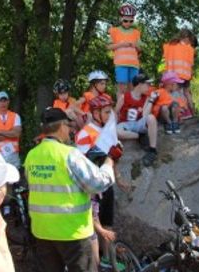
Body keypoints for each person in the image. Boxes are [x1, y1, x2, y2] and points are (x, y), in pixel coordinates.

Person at [24, 107, 115, 272]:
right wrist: (110, 161)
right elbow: (98, 184)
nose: (69, 131)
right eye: (68, 126)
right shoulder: (69, 154)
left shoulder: (31, 155)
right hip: (73, 232)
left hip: (43, 232)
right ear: (61, 127)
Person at [74, 95, 127, 268]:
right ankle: (97, 264)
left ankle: (108, 259)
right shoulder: (85, 133)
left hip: (107, 183)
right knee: (95, 228)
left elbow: (112, 157)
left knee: (108, 223)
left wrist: (118, 178)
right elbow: (80, 163)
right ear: (95, 113)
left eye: (110, 110)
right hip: (93, 186)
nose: (110, 114)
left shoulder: (108, 130)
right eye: (106, 111)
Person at [116, 73, 159, 166]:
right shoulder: (124, 97)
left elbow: (145, 115)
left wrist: (151, 100)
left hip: (138, 123)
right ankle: (140, 136)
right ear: (140, 84)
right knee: (117, 131)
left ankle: (152, 150)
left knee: (151, 118)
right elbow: (116, 112)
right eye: (147, 84)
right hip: (125, 124)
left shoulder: (146, 98)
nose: (149, 86)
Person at [162, 28, 198, 119]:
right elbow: (191, 64)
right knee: (186, 93)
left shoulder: (169, 46)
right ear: (186, 38)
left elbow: (164, 61)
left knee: (176, 94)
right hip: (186, 75)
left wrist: (164, 75)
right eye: (190, 40)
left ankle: (180, 114)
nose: (190, 43)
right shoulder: (189, 49)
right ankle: (191, 113)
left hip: (173, 75)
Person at [107, 3, 142, 96]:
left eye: (131, 21)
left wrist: (135, 45)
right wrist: (121, 44)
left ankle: (130, 107)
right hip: (121, 63)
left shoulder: (136, 32)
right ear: (121, 18)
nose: (128, 23)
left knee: (133, 88)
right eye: (126, 21)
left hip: (134, 64)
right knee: (122, 88)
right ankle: (120, 108)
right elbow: (108, 47)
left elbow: (140, 49)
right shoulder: (114, 31)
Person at [0, 91, 22, 168]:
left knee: (13, 179)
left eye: (5, 100)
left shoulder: (15, 116)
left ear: (8, 102)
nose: (3, 103)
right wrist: (10, 133)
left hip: (13, 156)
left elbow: (17, 134)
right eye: (0, 101)